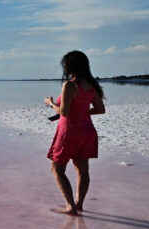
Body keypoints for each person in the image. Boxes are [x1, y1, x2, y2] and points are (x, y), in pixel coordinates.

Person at [44, 50, 106, 215]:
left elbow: (64, 112)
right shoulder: (91, 86)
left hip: (69, 132)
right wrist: (81, 114)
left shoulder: (70, 85)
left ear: (70, 66)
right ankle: (79, 204)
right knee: (83, 170)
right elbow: (100, 110)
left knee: (57, 169)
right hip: (87, 131)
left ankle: (70, 206)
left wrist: (50, 103)